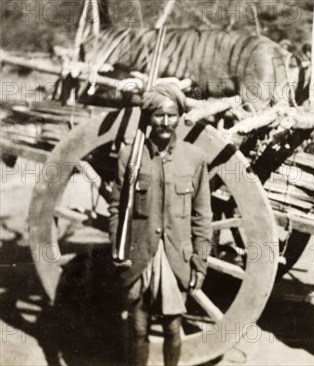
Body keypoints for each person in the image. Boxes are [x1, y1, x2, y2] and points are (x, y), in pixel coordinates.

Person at [108, 83, 213, 366]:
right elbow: (117, 209)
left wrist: (200, 262)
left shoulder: (194, 158)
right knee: (138, 329)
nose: (165, 122)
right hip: (139, 256)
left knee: (172, 329)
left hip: (175, 257)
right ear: (149, 117)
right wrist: (119, 251)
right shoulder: (131, 157)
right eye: (159, 115)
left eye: (172, 115)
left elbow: (203, 217)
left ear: (179, 116)